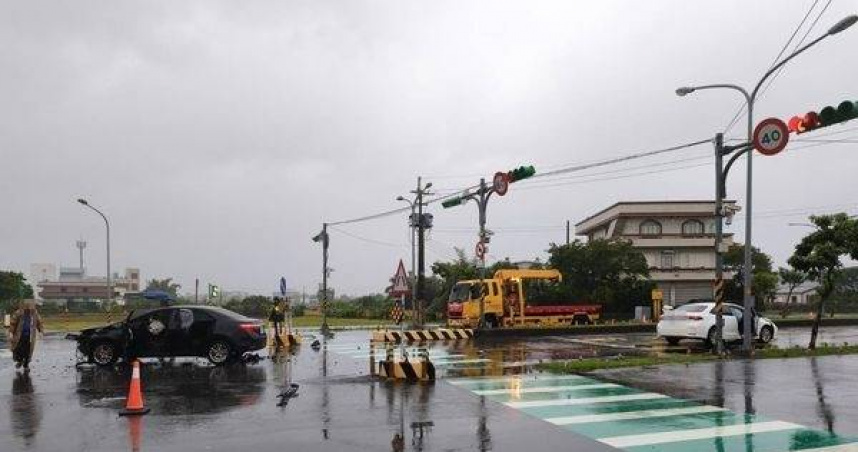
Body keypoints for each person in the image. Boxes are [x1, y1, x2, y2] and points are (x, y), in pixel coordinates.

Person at [9, 300, 44, 370]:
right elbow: (13, 323)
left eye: (30, 308)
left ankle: (26, 364)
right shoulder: (18, 313)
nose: (29, 309)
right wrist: (11, 332)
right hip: (19, 336)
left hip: (30, 336)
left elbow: (39, 322)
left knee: (28, 351)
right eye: (27, 308)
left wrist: (41, 331)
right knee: (18, 349)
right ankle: (19, 361)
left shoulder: (35, 314)